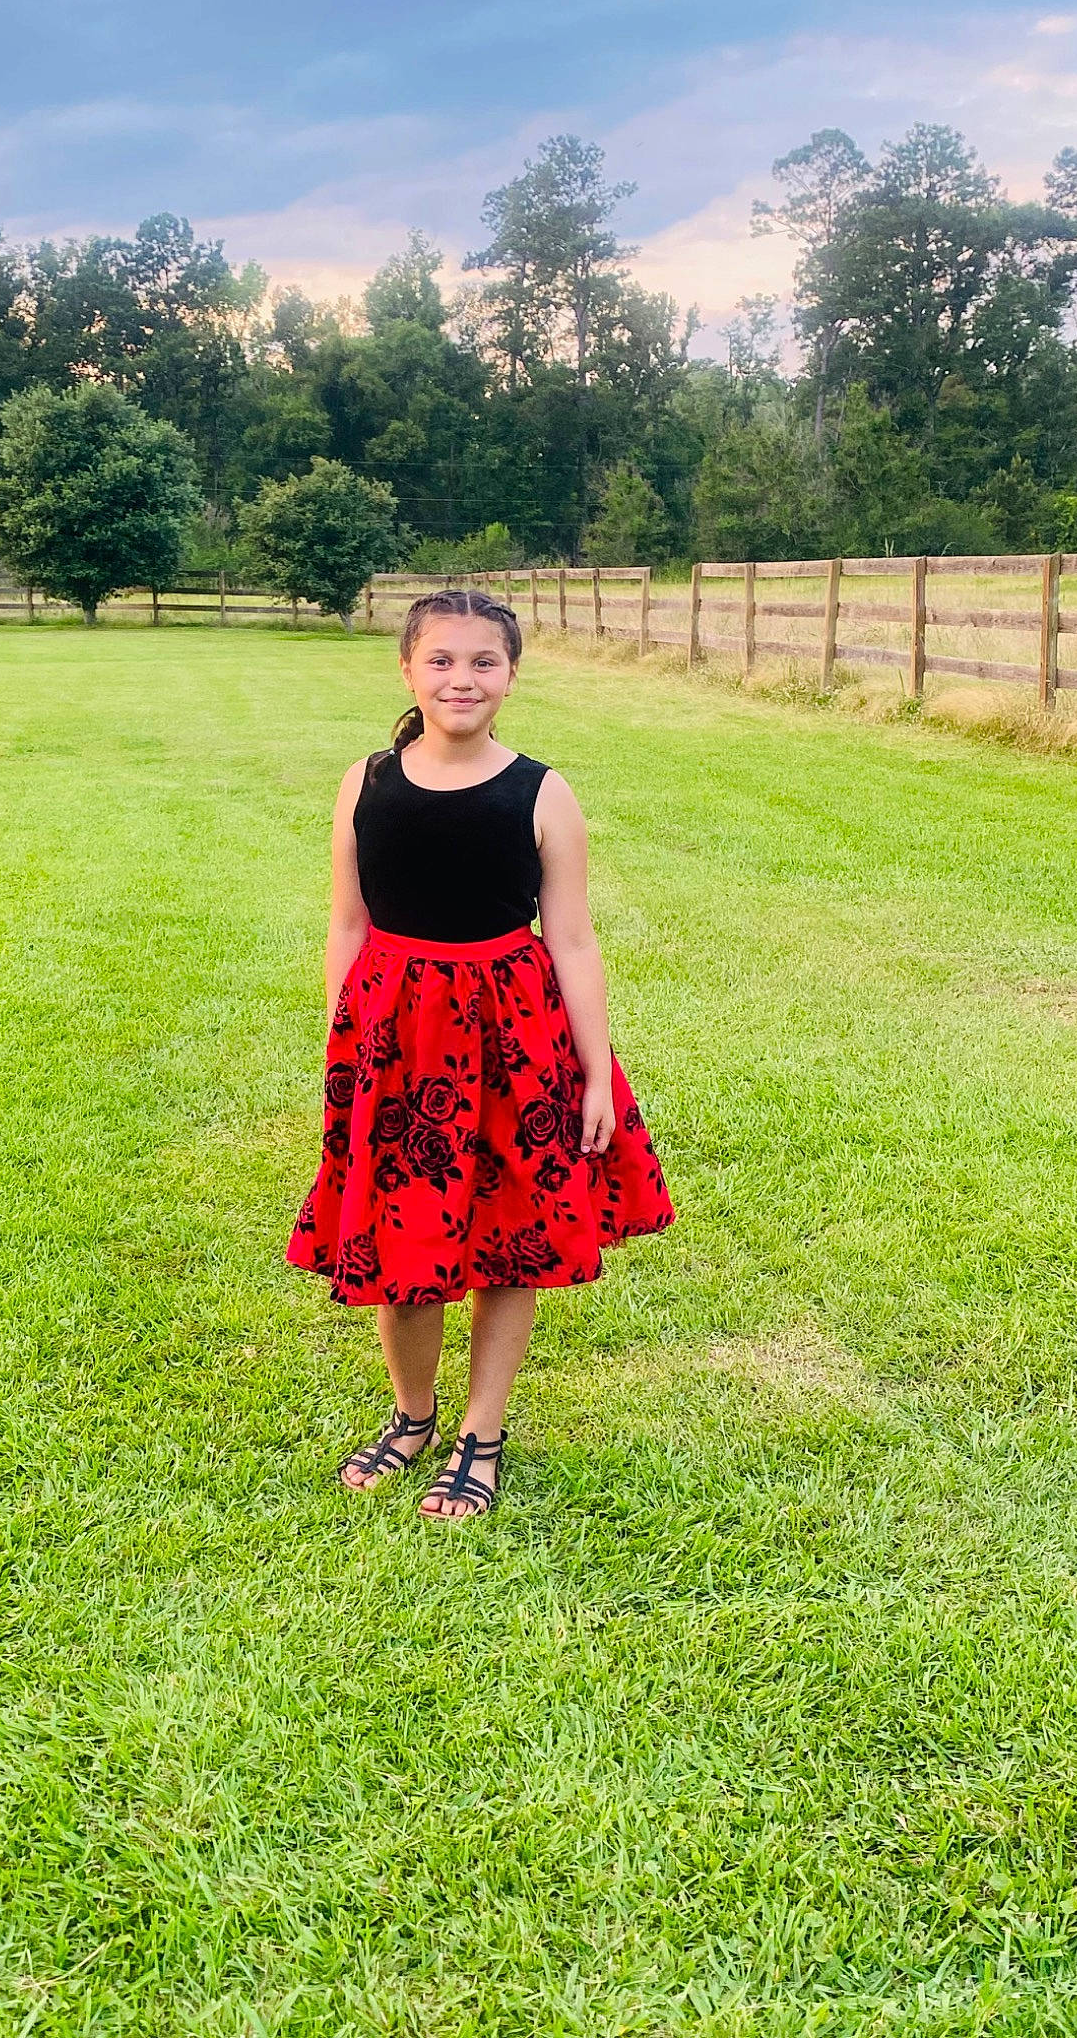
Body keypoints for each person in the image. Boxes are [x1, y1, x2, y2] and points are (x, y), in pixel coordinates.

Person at [287, 588, 674, 1520]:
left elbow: (573, 940)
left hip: (515, 1039)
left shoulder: (541, 791)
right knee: (401, 1240)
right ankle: (412, 1418)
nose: (463, 679)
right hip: (398, 1041)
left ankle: (480, 1436)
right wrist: (348, 1047)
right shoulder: (365, 782)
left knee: (511, 1242)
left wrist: (592, 1073)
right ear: (409, 669)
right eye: (443, 661)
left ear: (511, 674)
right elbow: (348, 921)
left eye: (484, 663)